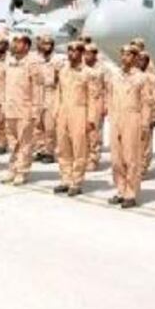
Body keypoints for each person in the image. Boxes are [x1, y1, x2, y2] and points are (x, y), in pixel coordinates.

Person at [107, 45, 153, 208]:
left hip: (133, 117)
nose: (124, 58)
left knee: (131, 158)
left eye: (128, 55)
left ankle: (131, 193)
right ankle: (120, 190)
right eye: (123, 54)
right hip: (116, 118)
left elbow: (147, 103)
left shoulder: (142, 78)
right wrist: (111, 116)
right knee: (116, 159)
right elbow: (110, 97)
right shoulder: (114, 76)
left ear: (135, 58)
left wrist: (145, 124)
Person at [53, 41, 101, 197]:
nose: (72, 54)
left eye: (75, 51)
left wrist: (91, 119)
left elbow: (93, 98)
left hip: (80, 112)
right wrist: (56, 112)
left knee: (79, 149)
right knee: (63, 148)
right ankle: (65, 179)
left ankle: (76, 181)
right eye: (70, 51)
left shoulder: (89, 73)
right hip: (63, 112)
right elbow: (58, 93)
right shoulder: (63, 71)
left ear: (81, 53)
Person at [2, 34, 43, 186]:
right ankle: (12, 169)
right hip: (10, 107)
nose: (14, 45)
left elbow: (38, 89)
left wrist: (36, 111)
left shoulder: (33, 63)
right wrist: (3, 105)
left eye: (18, 42)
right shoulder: (10, 62)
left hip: (25, 109)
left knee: (25, 142)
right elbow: (5, 85)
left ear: (26, 46)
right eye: (14, 42)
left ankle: (22, 172)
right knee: (13, 142)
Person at [34, 35, 62, 163]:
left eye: (49, 44)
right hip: (38, 94)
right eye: (44, 44)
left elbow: (59, 80)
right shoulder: (37, 60)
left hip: (51, 94)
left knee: (50, 126)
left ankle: (50, 152)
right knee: (38, 125)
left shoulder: (57, 60)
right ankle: (41, 149)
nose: (46, 46)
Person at [136, 50, 155, 175]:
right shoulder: (132, 77)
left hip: (146, 115)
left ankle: (143, 167)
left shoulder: (152, 79)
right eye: (138, 59)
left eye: (143, 60)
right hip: (132, 115)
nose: (140, 62)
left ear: (147, 62)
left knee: (145, 142)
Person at [84, 43, 107, 171]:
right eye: (85, 53)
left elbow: (108, 87)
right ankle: (84, 157)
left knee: (94, 132)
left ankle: (93, 158)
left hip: (97, 101)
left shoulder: (102, 69)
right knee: (82, 131)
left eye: (89, 53)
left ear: (95, 54)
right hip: (82, 102)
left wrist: (106, 104)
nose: (86, 56)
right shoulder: (81, 67)